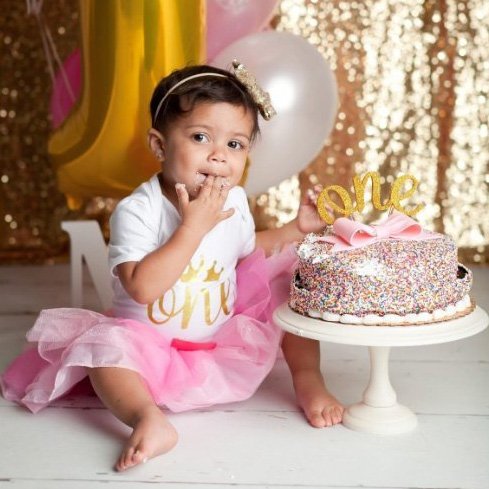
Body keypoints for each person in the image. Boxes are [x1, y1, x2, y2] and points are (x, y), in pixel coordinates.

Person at [1, 61, 343, 471]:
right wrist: (192, 228)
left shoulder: (234, 201)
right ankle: (146, 416)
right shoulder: (138, 210)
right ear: (160, 146)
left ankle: (308, 378)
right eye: (200, 137)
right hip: (150, 348)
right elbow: (141, 288)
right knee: (101, 351)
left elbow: (248, 252)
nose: (219, 155)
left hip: (220, 340)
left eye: (235, 144)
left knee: (287, 286)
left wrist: (294, 228)